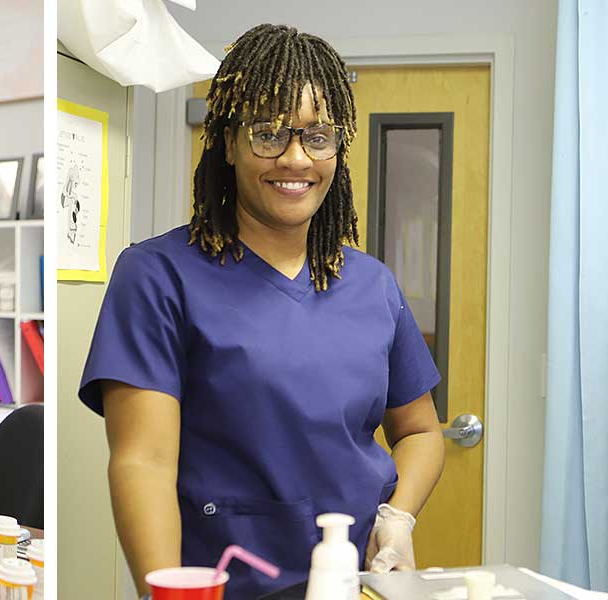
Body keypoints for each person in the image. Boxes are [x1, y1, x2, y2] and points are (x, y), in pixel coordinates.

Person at [80, 23, 446, 599]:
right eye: (269, 133)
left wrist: (398, 520)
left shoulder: (373, 285)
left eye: (317, 137)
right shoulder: (158, 276)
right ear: (228, 142)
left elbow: (421, 430)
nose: (295, 158)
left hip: (354, 587)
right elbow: (143, 462)